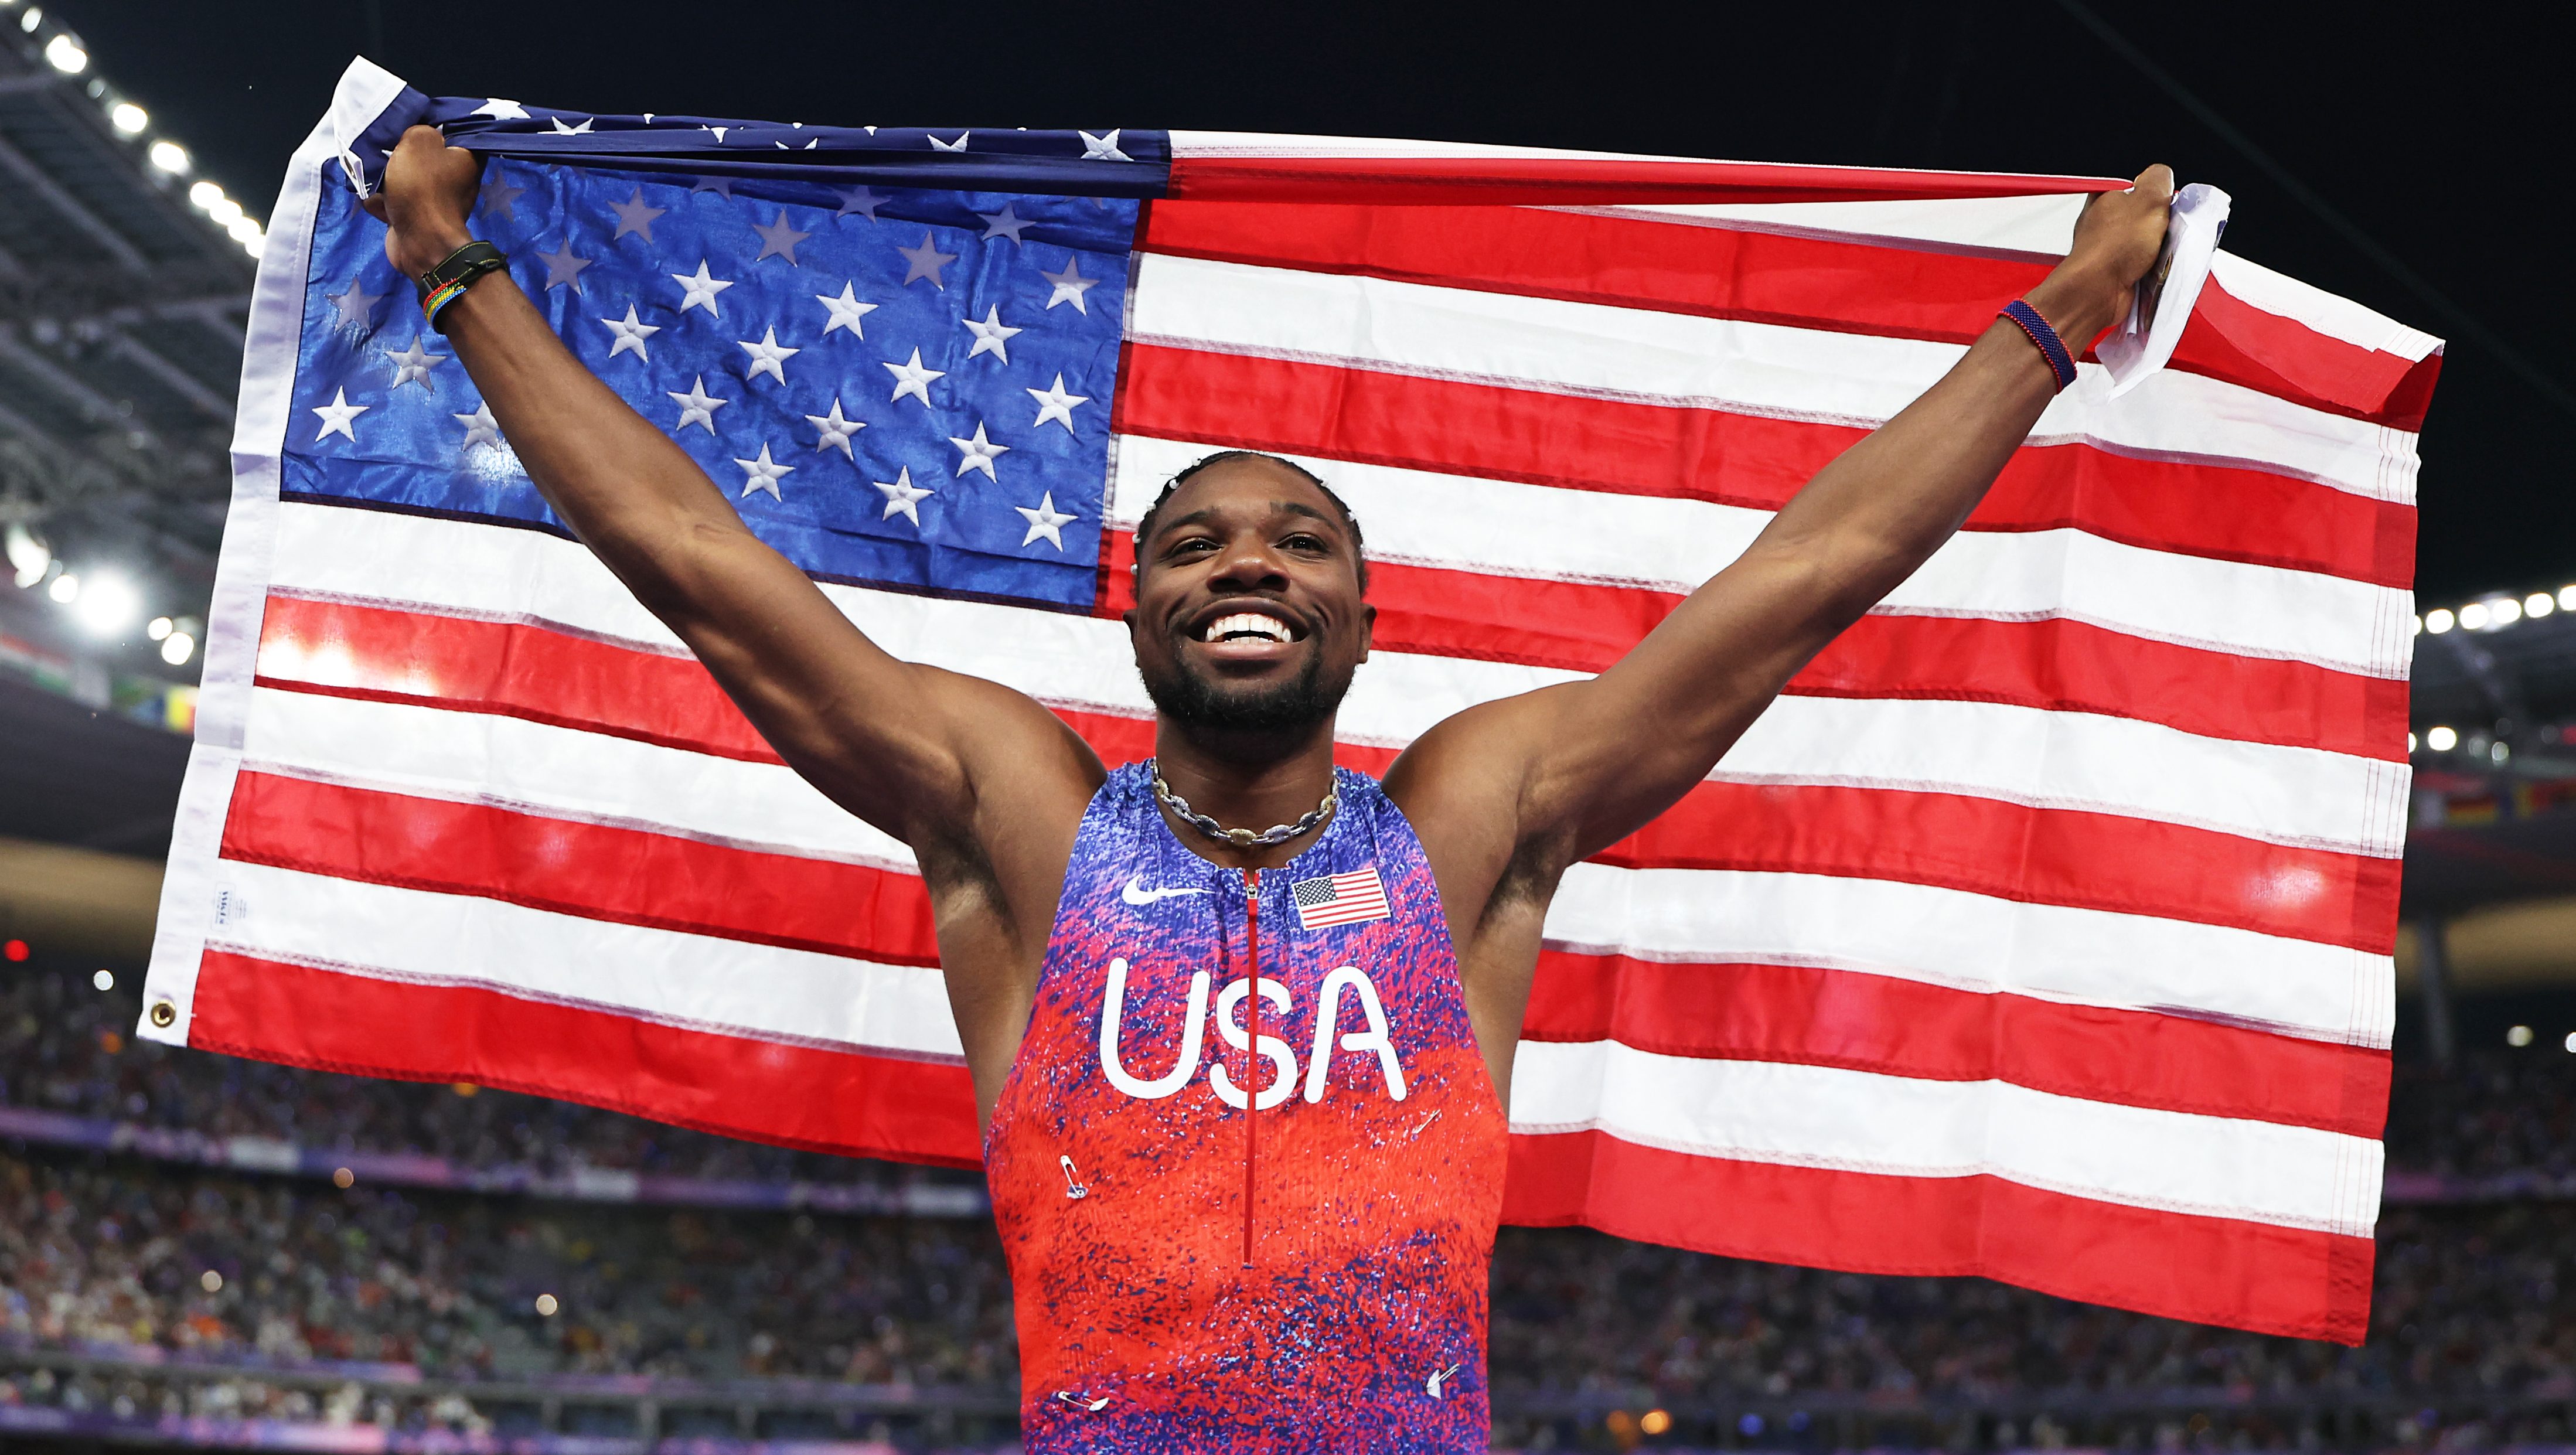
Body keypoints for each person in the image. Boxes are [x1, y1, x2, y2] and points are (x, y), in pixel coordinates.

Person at [364, 125, 2173, 1450]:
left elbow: (1805, 574)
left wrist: (2059, 318)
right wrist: (460, 277)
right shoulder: (1022, 819)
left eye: (1299, 541)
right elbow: (697, 559)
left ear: (1364, 624)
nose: (1248, 564)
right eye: (1197, 542)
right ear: (1137, 603)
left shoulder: (1466, 823)